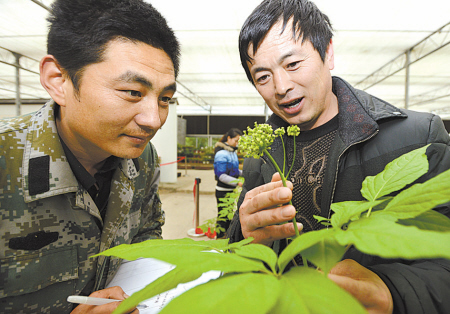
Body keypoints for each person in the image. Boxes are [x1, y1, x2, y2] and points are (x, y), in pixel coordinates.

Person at [227, 0, 450, 313]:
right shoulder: (261, 157)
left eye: (292, 64)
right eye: (263, 76)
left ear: (328, 52)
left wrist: (390, 293)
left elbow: (444, 265)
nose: (281, 87)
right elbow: (236, 265)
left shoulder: (419, 138)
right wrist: (246, 237)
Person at [0, 0, 179, 313]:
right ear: (59, 80)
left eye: (165, 99)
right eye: (133, 92)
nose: (153, 119)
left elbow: (147, 232)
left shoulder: (143, 157)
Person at [213, 128, 243, 238]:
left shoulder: (232, 151)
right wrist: (237, 182)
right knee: (222, 217)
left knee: (229, 216)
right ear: (229, 138)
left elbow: (235, 170)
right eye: (236, 140)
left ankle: (226, 239)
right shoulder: (221, 153)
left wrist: (246, 173)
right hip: (222, 191)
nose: (237, 143)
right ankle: (219, 239)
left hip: (231, 190)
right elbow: (221, 176)